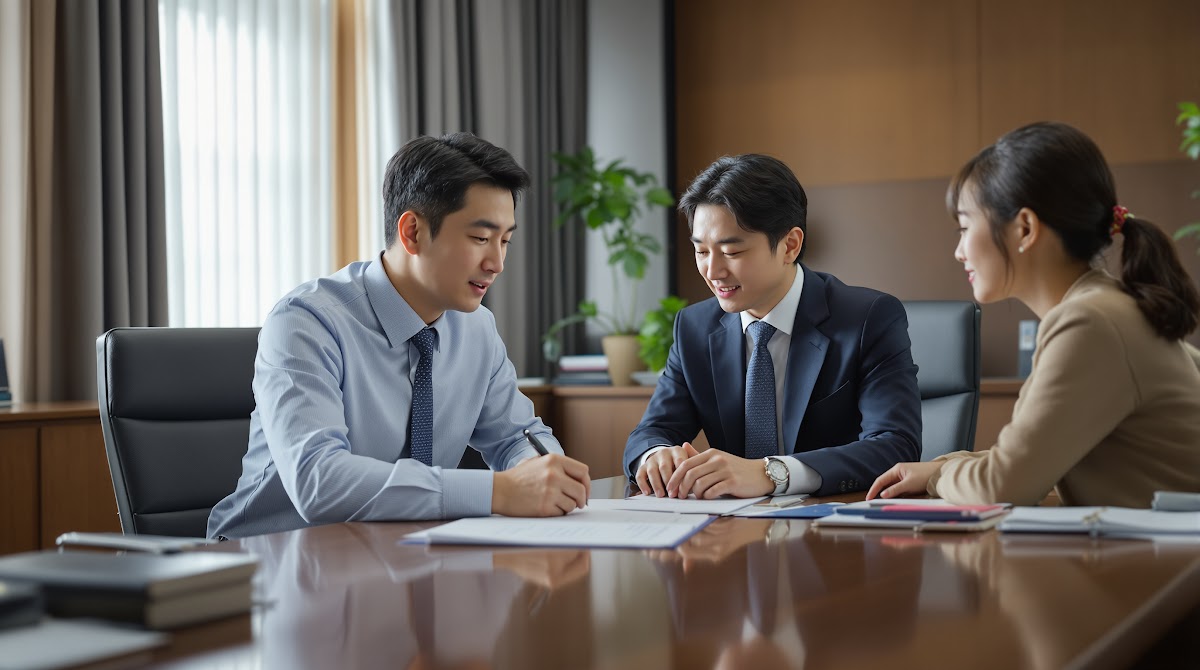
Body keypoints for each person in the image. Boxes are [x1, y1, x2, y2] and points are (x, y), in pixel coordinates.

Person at [209, 133, 590, 539]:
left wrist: (545, 473)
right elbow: (318, 480)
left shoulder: (477, 329)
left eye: (505, 240)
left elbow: (517, 435)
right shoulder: (306, 323)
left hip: (397, 556)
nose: (496, 262)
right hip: (268, 561)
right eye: (480, 238)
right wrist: (498, 491)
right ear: (412, 232)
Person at [867, 121, 1200, 507]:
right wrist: (943, 466)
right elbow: (1031, 463)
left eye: (964, 227)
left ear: (1024, 228)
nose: (959, 252)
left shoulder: (1089, 321)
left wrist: (940, 474)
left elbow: (1001, 485)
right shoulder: (1107, 305)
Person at [624, 153, 921, 499]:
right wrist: (656, 455)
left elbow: (895, 446)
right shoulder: (695, 328)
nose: (713, 271)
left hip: (834, 530)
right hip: (729, 532)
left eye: (731, 252)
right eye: (702, 251)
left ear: (789, 245)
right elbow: (652, 431)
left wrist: (771, 474)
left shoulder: (868, 318)